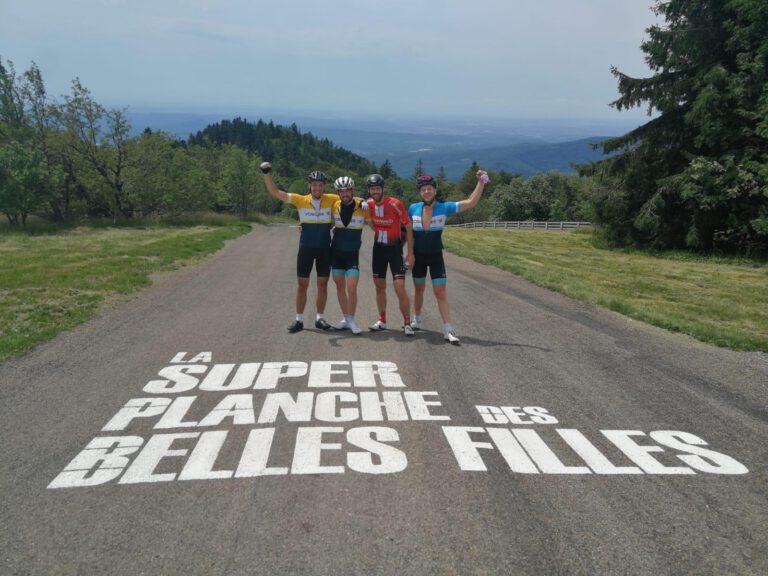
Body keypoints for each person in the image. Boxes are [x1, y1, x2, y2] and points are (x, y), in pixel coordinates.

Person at [408, 170, 488, 344]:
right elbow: (408, 234)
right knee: (419, 289)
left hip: (436, 256)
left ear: (435, 191)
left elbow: (470, 203)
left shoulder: (444, 207)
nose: (427, 192)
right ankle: (417, 320)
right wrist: (408, 254)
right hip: (419, 257)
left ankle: (448, 329)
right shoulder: (413, 208)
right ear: (420, 193)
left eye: (429, 188)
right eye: (423, 189)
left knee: (440, 292)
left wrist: (481, 182)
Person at [259, 161, 336, 333]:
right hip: (306, 249)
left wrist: (364, 204)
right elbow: (276, 192)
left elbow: (349, 198)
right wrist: (266, 173)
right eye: (314, 185)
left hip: (324, 249)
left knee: (322, 285)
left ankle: (320, 318)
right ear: (309, 186)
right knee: (302, 285)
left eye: (320, 185)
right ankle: (299, 319)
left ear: (324, 187)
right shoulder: (300, 200)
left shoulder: (332, 199)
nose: (317, 188)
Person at [364, 174, 416, 336]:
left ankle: (407, 323)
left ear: (383, 189)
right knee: (379, 286)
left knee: (400, 288)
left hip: (395, 250)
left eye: (378, 188)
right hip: (378, 250)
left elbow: (408, 226)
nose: (375, 191)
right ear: (369, 190)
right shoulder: (368, 204)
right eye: (372, 189)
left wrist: (410, 254)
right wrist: (379, 231)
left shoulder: (395, 204)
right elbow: (368, 220)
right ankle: (382, 320)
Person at [329, 176, 369, 335]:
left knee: (352, 288)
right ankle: (346, 318)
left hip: (352, 255)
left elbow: (374, 218)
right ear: (338, 192)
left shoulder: (362, 207)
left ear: (352, 191)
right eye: (342, 191)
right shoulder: (334, 205)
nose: (345, 193)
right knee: (340, 287)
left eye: (347, 190)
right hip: (336, 253)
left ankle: (351, 319)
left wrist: (363, 200)